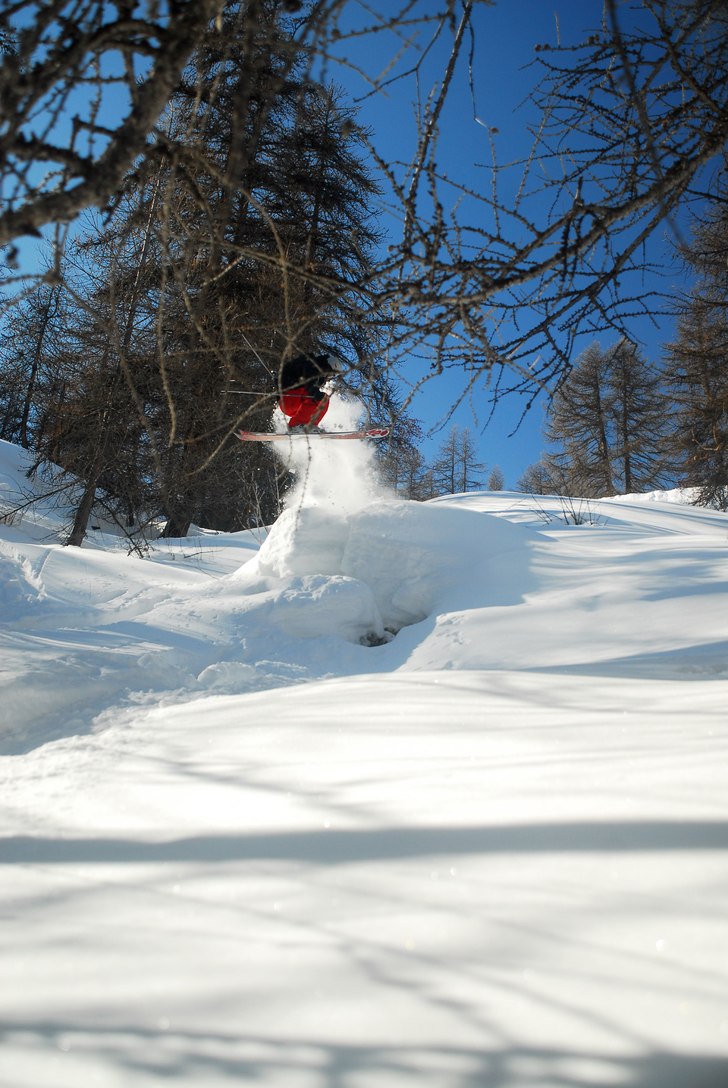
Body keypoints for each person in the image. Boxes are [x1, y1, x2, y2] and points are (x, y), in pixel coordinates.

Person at [278, 351, 341, 431]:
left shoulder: (311, 367)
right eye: (331, 374)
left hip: (290, 405)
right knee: (323, 399)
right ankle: (297, 426)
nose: (328, 378)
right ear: (328, 367)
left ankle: (302, 426)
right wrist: (313, 391)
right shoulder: (312, 364)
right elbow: (308, 377)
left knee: (318, 400)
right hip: (290, 397)